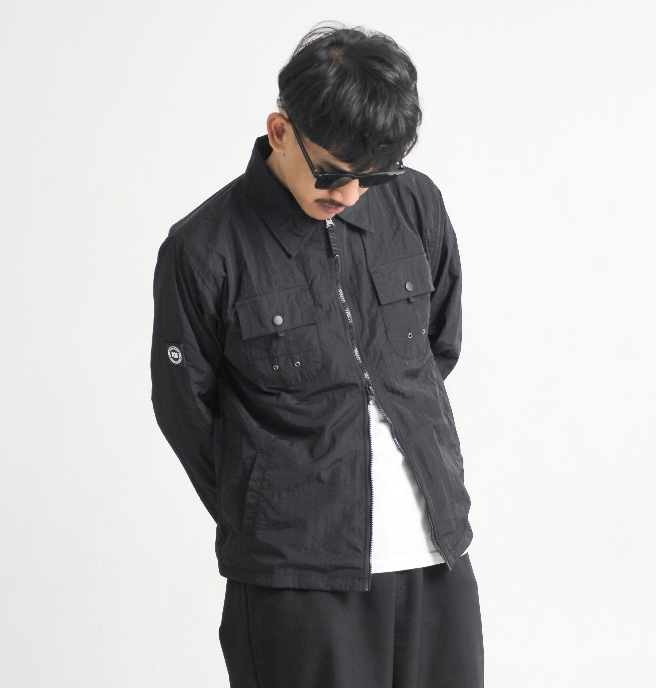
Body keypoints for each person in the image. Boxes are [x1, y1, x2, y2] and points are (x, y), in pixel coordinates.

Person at [151, 22, 484, 688]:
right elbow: (185, 410)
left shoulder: (415, 202)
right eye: (333, 173)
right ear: (280, 131)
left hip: (436, 556)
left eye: (373, 176)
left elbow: (432, 352)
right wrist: (274, 506)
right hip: (295, 578)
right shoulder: (204, 249)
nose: (351, 194)